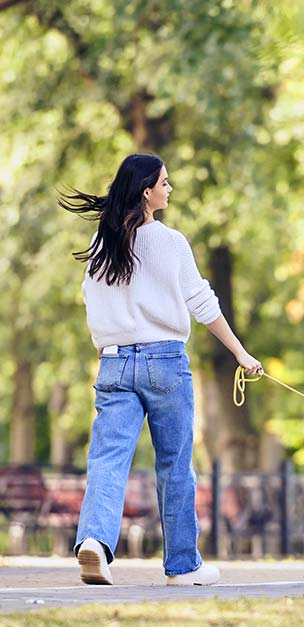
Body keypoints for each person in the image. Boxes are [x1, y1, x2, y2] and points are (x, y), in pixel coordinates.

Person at [59, 153, 263, 586]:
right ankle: (183, 566)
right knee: (174, 463)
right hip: (166, 362)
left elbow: (90, 300)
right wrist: (241, 354)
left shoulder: (103, 243)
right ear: (147, 192)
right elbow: (204, 305)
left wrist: (109, 342)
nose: (170, 189)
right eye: (164, 183)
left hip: (113, 361)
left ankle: (94, 541)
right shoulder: (171, 243)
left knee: (108, 459)